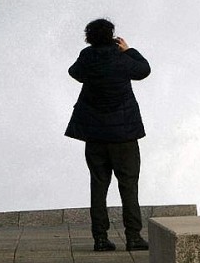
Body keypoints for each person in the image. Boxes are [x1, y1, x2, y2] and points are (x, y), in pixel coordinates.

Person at [65, 18, 151, 252]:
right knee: (129, 186)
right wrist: (129, 49)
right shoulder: (122, 57)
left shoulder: (87, 56)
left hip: (95, 137)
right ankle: (133, 237)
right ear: (112, 35)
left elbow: (75, 73)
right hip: (124, 136)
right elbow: (144, 70)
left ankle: (100, 239)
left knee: (99, 187)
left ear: (89, 36)